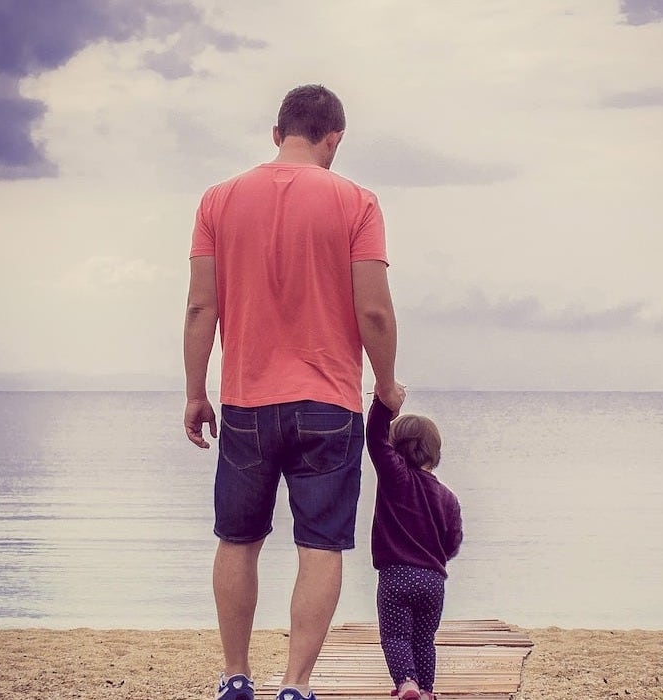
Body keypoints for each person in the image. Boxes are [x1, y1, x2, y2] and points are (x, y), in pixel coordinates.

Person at [183, 84, 406, 700]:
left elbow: (203, 304)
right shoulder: (357, 201)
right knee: (320, 545)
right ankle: (297, 684)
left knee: (238, 539)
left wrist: (194, 391)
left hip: (247, 399)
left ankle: (235, 675)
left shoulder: (218, 200)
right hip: (330, 402)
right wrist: (385, 386)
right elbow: (375, 313)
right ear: (333, 137)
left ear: (277, 133)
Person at [365, 396, 463, 700]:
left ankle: (406, 682)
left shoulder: (396, 478)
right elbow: (453, 542)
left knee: (396, 636)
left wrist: (384, 402)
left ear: (396, 450)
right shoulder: (448, 497)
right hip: (433, 580)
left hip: (396, 576)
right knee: (423, 640)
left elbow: (374, 437)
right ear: (435, 454)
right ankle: (426, 689)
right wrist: (434, 558)